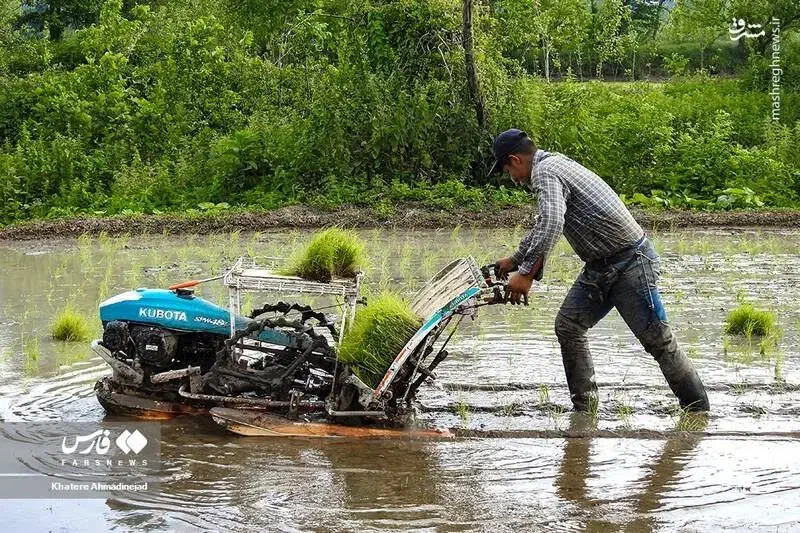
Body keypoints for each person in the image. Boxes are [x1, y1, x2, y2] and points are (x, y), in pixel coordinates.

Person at [490, 128, 709, 412]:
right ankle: (585, 409)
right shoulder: (555, 164)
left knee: (658, 341)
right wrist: (516, 260)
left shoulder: (545, 172)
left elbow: (552, 223)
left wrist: (527, 274)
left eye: (507, 170)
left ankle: (698, 410)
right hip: (601, 266)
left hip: (631, 263)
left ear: (515, 160)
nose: (512, 178)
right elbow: (545, 222)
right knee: (569, 327)